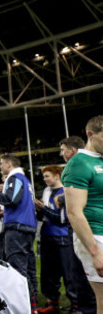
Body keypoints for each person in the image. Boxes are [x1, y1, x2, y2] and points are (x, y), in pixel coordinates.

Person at [63, 115, 103, 311]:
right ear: (91, 135)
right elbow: (74, 212)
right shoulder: (79, 163)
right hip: (95, 234)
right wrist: (95, 252)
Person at [0, 154, 39, 312]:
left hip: (17, 227)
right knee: (29, 269)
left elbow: (11, 200)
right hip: (27, 226)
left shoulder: (15, 177)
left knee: (17, 270)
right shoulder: (25, 180)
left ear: (9, 164)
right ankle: (32, 305)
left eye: (1, 164)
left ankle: (22, 306)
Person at [33, 165, 79, 313]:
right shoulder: (46, 193)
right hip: (47, 236)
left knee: (68, 274)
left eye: (47, 176)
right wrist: (38, 210)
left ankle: (76, 305)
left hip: (62, 238)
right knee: (48, 274)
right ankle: (52, 303)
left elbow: (62, 219)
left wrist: (43, 208)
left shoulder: (65, 192)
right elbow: (43, 218)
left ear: (57, 176)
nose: (44, 179)